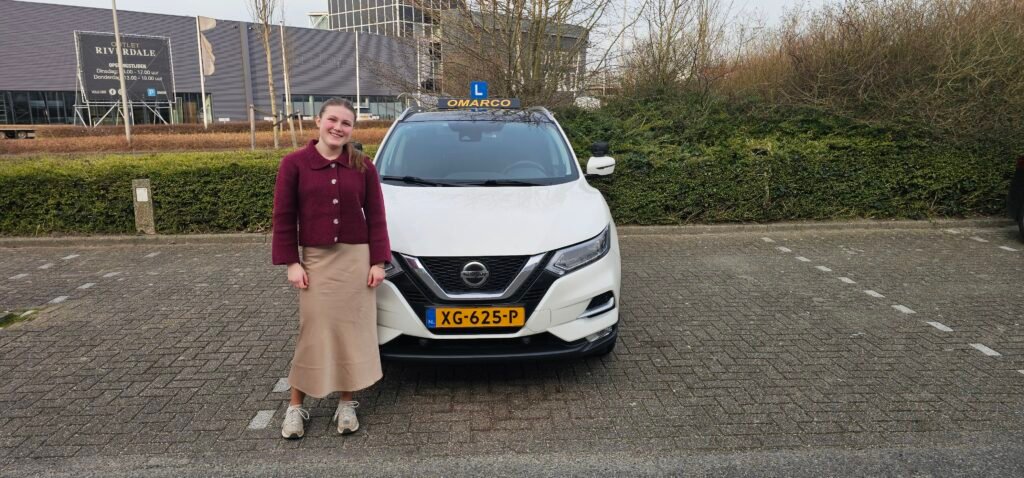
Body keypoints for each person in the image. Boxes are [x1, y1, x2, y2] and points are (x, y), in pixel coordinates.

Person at [271, 97, 391, 439]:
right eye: (333, 120)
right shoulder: (294, 164)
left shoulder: (363, 166)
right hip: (317, 261)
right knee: (314, 332)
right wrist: (292, 262)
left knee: (351, 332)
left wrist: (378, 261)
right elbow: (284, 217)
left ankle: (346, 403)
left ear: (352, 128)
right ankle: (295, 406)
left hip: (356, 260)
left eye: (346, 123)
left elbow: (377, 216)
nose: (338, 128)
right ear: (318, 122)